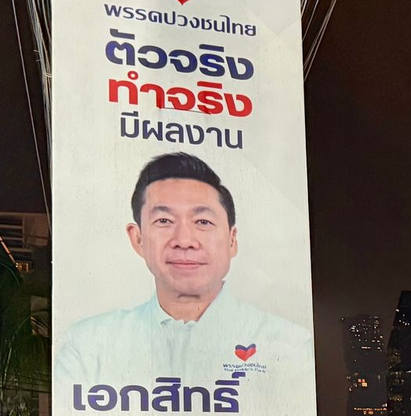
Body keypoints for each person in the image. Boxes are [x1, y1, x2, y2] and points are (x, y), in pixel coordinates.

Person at [56, 151, 310, 389]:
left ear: (232, 240)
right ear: (138, 238)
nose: (185, 240)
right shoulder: (87, 345)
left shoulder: (291, 346)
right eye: (164, 221)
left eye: (203, 221)